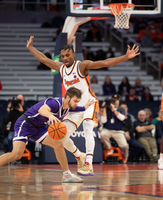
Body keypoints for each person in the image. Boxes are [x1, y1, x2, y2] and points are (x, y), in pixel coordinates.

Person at [26, 36, 139, 175]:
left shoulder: (81, 66)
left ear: (73, 54)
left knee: (87, 126)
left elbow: (105, 62)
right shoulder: (60, 68)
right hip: (73, 108)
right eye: (62, 56)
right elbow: (44, 59)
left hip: (89, 103)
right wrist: (30, 47)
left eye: (68, 55)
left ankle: (88, 163)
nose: (65, 58)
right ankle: (79, 155)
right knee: (61, 137)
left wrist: (126, 57)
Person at [0, 87, 94, 183]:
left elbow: (74, 109)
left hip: (38, 128)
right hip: (25, 124)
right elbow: (42, 110)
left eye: (78, 101)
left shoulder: (67, 107)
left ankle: (66, 174)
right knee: (16, 154)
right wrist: (50, 116)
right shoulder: (55, 103)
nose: (76, 103)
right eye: (75, 101)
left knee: (58, 144)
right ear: (67, 97)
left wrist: (84, 107)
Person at [100, 94, 129, 163]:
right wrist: (104, 108)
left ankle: (125, 155)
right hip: (108, 130)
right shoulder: (106, 109)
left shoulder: (121, 109)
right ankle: (109, 148)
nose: (115, 101)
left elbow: (122, 118)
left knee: (125, 146)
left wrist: (113, 110)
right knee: (102, 134)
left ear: (119, 101)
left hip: (118, 131)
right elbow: (103, 121)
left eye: (117, 100)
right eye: (113, 100)